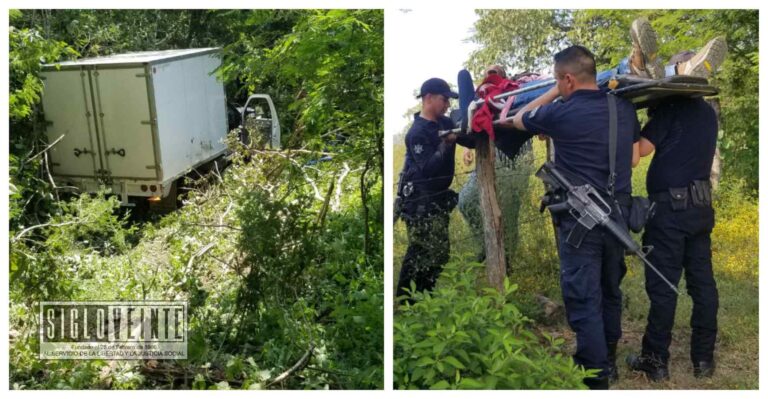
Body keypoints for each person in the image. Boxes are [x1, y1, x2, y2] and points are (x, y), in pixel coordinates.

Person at [504, 45, 641, 389]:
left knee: (584, 298)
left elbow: (517, 119)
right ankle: (607, 361)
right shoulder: (623, 109)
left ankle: (594, 377)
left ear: (567, 79)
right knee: (610, 290)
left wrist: (553, 93)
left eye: (557, 80)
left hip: (581, 221)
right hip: (619, 217)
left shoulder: (559, 113)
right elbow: (634, 157)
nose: (556, 85)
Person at [625, 49, 723, 381]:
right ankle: (703, 360)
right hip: (700, 209)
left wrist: (629, 122)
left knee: (664, 286)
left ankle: (656, 360)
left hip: (669, 212)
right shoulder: (708, 113)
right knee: (703, 284)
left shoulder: (670, 110)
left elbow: (638, 154)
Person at [396, 78, 475, 303]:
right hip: (420, 201)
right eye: (444, 99)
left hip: (438, 199)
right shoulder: (417, 133)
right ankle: (406, 302)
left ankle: (425, 297)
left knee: (440, 254)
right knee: (420, 252)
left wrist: (469, 131)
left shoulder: (445, 122)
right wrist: (445, 144)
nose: (447, 105)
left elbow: (468, 139)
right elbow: (428, 168)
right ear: (428, 98)